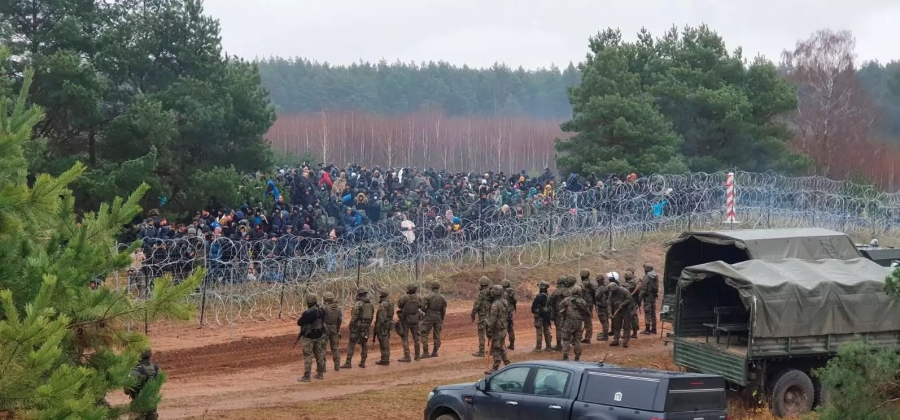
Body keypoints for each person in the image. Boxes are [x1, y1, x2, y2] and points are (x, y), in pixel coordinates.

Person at [297, 293, 327, 381]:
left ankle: (307, 376)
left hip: (309, 337)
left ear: (309, 302)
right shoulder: (322, 310)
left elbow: (299, 323)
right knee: (319, 354)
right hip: (319, 335)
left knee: (308, 355)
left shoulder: (308, 313)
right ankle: (320, 373)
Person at [125, 349, 160, 420]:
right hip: (152, 404)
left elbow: (126, 390)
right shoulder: (156, 368)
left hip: (139, 404)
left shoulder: (135, 372)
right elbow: (158, 384)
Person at [343, 288, 374, 368]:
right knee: (364, 344)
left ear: (359, 295)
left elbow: (354, 317)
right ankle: (362, 362)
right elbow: (371, 317)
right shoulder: (370, 304)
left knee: (351, 344)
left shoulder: (358, 304)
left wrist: (351, 325)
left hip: (357, 326)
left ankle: (348, 362)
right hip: (366, 326)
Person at [485, 285, 511, 374]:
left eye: (492, 292)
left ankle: (495, 368)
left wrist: (488, 330)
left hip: (497, 329)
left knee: (496, 348)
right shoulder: (504, 301)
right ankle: (507, 363)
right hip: (503, 327)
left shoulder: (495, 305)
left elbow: (492, 320)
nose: (491, 293)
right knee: (500, 346)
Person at [559, 285, 589, 361]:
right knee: (577, 340)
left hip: (568, 323)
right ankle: (577, 357)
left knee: (566, 340)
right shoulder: (582, 301)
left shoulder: (567, 300)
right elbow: (586, 312)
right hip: (579, 323)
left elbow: (560, 307)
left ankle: (566, 356)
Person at [396, 284, 423, 362]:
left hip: (405, 320)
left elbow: (399, 305)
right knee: (416, 338)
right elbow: (421, 306)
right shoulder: (418, 297)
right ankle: (417, 356)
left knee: (405, 338)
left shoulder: (404, 297)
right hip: (415, 319)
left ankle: (407, 356)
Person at [420, 281, 447, 358]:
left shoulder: (427, 296)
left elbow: (422, 308)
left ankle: (426, 352)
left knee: (424, 333)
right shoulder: (442, 297)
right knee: (437, 335)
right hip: (438, 316)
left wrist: (426, 311)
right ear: (438, 287)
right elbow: (443, 310)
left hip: (429, 316)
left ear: (431, 287)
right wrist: (441, 317)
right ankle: (435, 352)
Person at [321, 291, 343, 371]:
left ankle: (322, 367)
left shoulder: (324, 308)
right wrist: (337, 329)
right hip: (334, 328)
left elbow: (321, 319)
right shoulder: (338, 308)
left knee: (323, 347)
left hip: (325, 328)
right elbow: (340, 320)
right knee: (335, 348)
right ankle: (337, 366)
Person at [608, 281, 633, 348]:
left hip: (626, 310)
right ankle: (616, 339)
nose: (613, 292)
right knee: (617, 326)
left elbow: (629, 299)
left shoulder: (624, 291)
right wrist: (610, 313)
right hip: (617, 311)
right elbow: (609, 304)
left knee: (626, 326)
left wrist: (623, 304)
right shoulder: (611, 294)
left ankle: (625, 341)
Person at [470, 276, 491, 357]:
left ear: (481, 284)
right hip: (491, 316)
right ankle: (492, 350)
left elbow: (477, 305)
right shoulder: (491, 292)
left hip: (482, 316)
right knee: (491, 333)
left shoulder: (481, 293)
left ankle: (481, 351)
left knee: (481, 333)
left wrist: (473, 314)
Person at [531, 281, 553, 352]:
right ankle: (548, 347)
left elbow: (533, 307)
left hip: (539, 316)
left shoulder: (539, 296)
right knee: (546, 331)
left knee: (539, 332)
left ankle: (538, 348)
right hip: (546, 316)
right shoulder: (548, 296)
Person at [375, 289, 393, 366]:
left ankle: (385, 360)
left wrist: (377, 327)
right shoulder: (390, 302)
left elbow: (381, 318)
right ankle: (385, 358)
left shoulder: (383, 304)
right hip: (388, 323)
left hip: (383, 325)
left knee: (383, 342)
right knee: (386, 341)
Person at [640, 264, 659, 335]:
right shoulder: (655, 276)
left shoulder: (647, 277)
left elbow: (644, 289)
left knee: (647, 312)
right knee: (653, 313)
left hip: (647, 297)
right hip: (653, 297)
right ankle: (654, 329)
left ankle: (647, 329)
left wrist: (640, 298)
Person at [579, 269, 596, 343]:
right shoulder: (591, 284)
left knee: (580, 320)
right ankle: (588, 337)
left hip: (582, 304)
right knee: (588, 321)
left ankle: (578, 337)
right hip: (589, 304)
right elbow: (594, 294)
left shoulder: (581, 285)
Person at [500, 279, 517, 350]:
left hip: (503, 313)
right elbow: (515, 301)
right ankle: (512, 344)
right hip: (510, 312)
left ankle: (502, 345)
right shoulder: (511, 292)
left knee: (502, 328)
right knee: (510, 328)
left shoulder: (502, 293)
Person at [594, 273, 612, 341]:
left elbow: (597, 296)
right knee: (606, 321)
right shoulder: (607, 286)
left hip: (601, 306)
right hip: (607, 306)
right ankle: (605, 333)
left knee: (604, 322)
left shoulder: (600, 288)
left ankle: (605, 336)